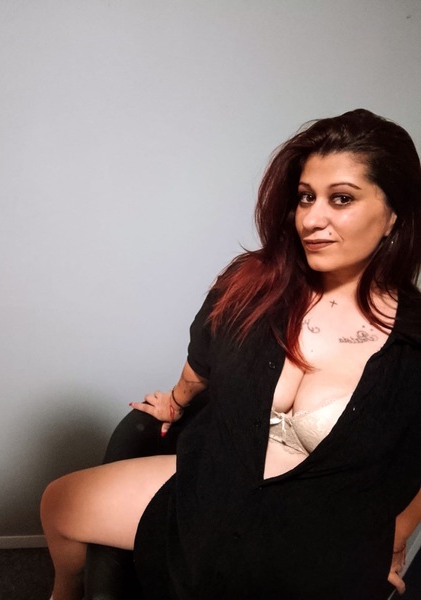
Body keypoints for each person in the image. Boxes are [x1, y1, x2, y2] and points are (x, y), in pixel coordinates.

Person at [41, 108, 421, 600]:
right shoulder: (252, 284)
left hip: (321, 533)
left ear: (394, 214)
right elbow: (200, 364)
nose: (311, 219)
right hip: (213, 484)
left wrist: (397, 538)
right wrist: (175, 401)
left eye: (341, 199)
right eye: (305, 197)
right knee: (60, 503)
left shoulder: (413, 340)